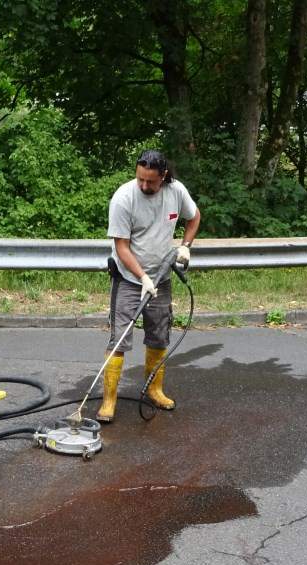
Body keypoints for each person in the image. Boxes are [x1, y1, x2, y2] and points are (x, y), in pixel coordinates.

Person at [97, 149, 201, 423]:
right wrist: (142, 277)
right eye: (140, 179)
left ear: (163, 176)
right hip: (129, 279)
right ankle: (109, 400)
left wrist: (185, 246)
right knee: (119, 338)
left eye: (150, 181)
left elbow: (194, 217)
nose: (144, 185)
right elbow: (121, 246)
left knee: (159, 336)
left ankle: (154, 390)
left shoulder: (176, 192)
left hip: (162, 278)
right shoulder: (124, 198)